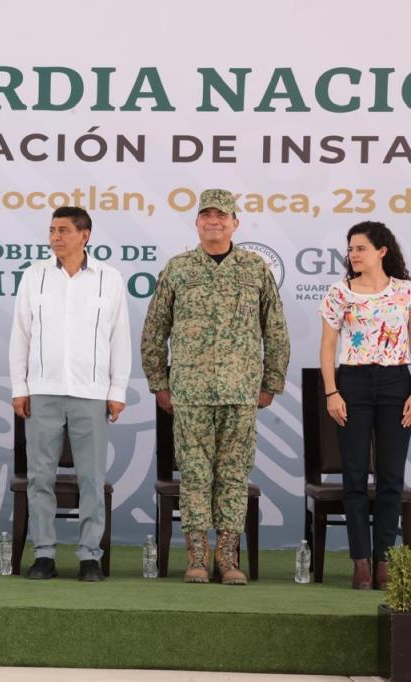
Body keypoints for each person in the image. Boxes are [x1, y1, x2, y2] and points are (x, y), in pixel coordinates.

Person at [140, 189, 290, 585]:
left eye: (222, 216)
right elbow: (156, 329)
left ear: (235, 223)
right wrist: (159, 381)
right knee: (194, 476)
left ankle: (228, 558)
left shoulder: (254, 269)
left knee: (234, 476)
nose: (214, 222)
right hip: (189, 392)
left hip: (241, 392)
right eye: (206, 215)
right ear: (197, 223)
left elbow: (274, 329)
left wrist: (271, 380)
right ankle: (196, 558)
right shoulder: (179, 268)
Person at [9, 206, 131, 582]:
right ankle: (43, 554)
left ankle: (89, 556)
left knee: (91, 479)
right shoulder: (34, 276)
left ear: (85, 235)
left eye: (63, 230)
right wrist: (20, 387)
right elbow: (21, 335)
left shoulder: (108, 279)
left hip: (91, 393)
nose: (55, 237)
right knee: (39, 477)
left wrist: (117, 390)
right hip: (42, 392)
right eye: (51, 230)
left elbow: (119, 337)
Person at [319, 221, 411, 590]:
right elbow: (327, 348)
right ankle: (360, 562)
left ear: (382, 251)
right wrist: (331, 392)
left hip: (396, 382)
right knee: (354, 477)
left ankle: (385, 560)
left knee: (390, 478)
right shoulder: (339, 293)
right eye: (351, 248)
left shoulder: (405, 293)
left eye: (360, 248)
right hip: (352, 382)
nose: (353, 254)